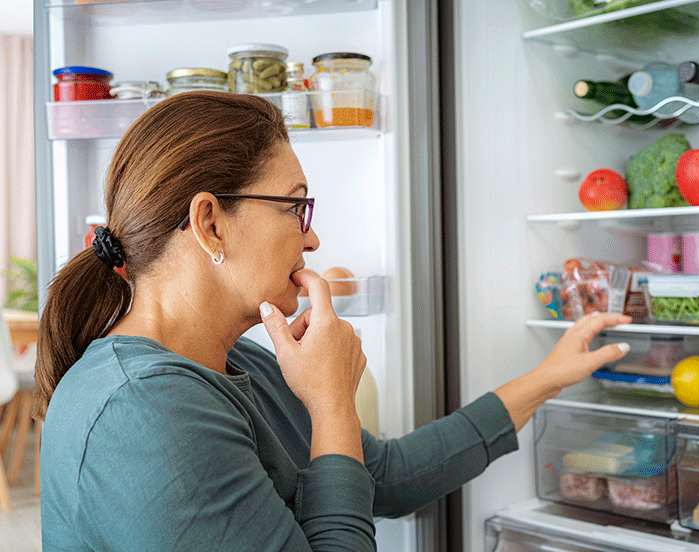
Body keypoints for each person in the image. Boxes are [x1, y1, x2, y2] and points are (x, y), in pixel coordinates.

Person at [34, 91, 631, 552]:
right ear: (211, 223)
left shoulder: (240, 362)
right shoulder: (145, 413)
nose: (313, 237)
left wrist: (550, 375)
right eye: (296, 207)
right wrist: (331, 404)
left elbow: (385, 475)